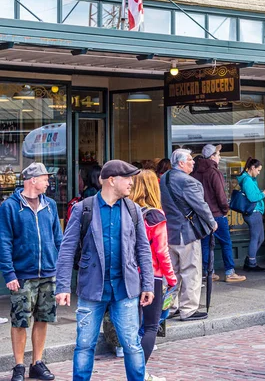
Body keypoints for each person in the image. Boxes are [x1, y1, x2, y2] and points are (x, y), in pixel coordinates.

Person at [55, 160, 155, 381]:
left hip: (125, 289)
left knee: (132, 345)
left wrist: (147, 283)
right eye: (127, 178)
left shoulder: (133, 209)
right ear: (112, 180)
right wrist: (62, 286)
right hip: (92, 289)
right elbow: (67, 249)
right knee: (84, 345)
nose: (131, 183)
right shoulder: (84, 209)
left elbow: (143, 249)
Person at [0, 163, 63, 381]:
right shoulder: (10, 207)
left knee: (43, 318)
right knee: (20, 321)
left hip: (48, 272)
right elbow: (4, 242)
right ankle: (18, 365)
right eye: (45, 178)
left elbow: (58, 238)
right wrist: (9, 273)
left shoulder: (51, 205)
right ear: (32, 180)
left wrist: (60, 269)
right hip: (22, 274)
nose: (48, 182)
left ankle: (37, 362)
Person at [130, 169, 177, 381]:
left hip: (130, 273)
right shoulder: (155, 215)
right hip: (152, 275)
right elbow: (161, 251)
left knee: (132, 326)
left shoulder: (128, 211)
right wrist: (172, 277)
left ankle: (137, 372)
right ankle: (139, 374)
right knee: (150, 326)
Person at [160, 148, 217, 321]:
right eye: (190, 159)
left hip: (169, 232)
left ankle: (169, 307)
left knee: (171, 273)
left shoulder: (164, 178)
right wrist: (212, 223)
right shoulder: (189, 181)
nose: (193, 162)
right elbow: (201, 206)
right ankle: (189, 309)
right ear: (181, 163)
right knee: (191, 271)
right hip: (186, 233)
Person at [193, 144, 246, 283]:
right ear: (212, 157)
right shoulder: (214, 172)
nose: (220, 157)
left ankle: (208, 272)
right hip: (216, 213)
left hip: (201, 214)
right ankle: (230, 272)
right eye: (218, 154)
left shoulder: (196, 172)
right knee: (226, 243)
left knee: (205, 244)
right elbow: (221, 195)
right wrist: (224, 209)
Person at [237, 157, 265, 272]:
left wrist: (261, 193)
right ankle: (251, 263)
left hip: (254, 212)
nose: (259, 172)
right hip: (253, 212)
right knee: (256, 238)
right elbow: (252, 197)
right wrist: (263, 195)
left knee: (260, 237)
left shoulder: (248, 179)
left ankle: (250, 260)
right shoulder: (247, 180)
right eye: (258, 170)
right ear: (252, 168)